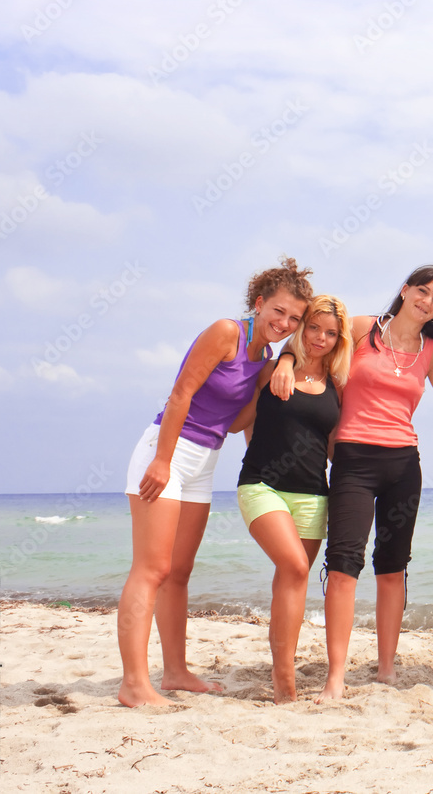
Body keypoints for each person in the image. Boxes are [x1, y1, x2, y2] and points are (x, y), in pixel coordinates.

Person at [117, 259, 314, 708]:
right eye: (278, 312)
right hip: (167, 449)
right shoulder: (226, 332)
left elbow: (235, 423)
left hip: (204, 460)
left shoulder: (263, 357)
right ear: (259, 303)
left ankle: (176, 671)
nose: (284, 323)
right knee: (151, 569)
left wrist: (267, 385)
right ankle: (133, 682)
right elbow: (181, 393)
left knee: (179, 573)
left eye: (294, 319)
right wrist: (162, 460)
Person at [271, 266, 433, 701]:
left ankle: (386, 667)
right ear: (406, 290)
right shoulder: (362, 328)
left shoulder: (431, 351)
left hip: (404, 466)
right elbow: (309, 343)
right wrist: (283, 359)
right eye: (422, 291)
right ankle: (337, 675)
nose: (427, 301)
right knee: (342, 567)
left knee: (393, 567)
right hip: (353, 460)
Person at [236, 295, 352, 704]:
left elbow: (334, 448)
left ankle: (280, 663)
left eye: (331, 332)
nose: (321, 337)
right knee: (295, 567)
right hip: (261, 486)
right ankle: (285, 680)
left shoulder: (337, 386)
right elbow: (239, 422)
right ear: (302, 329)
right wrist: (279, 363)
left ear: (340, 340)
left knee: (292, 580)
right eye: (314, 327)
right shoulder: (272, 370)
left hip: (312, 495)